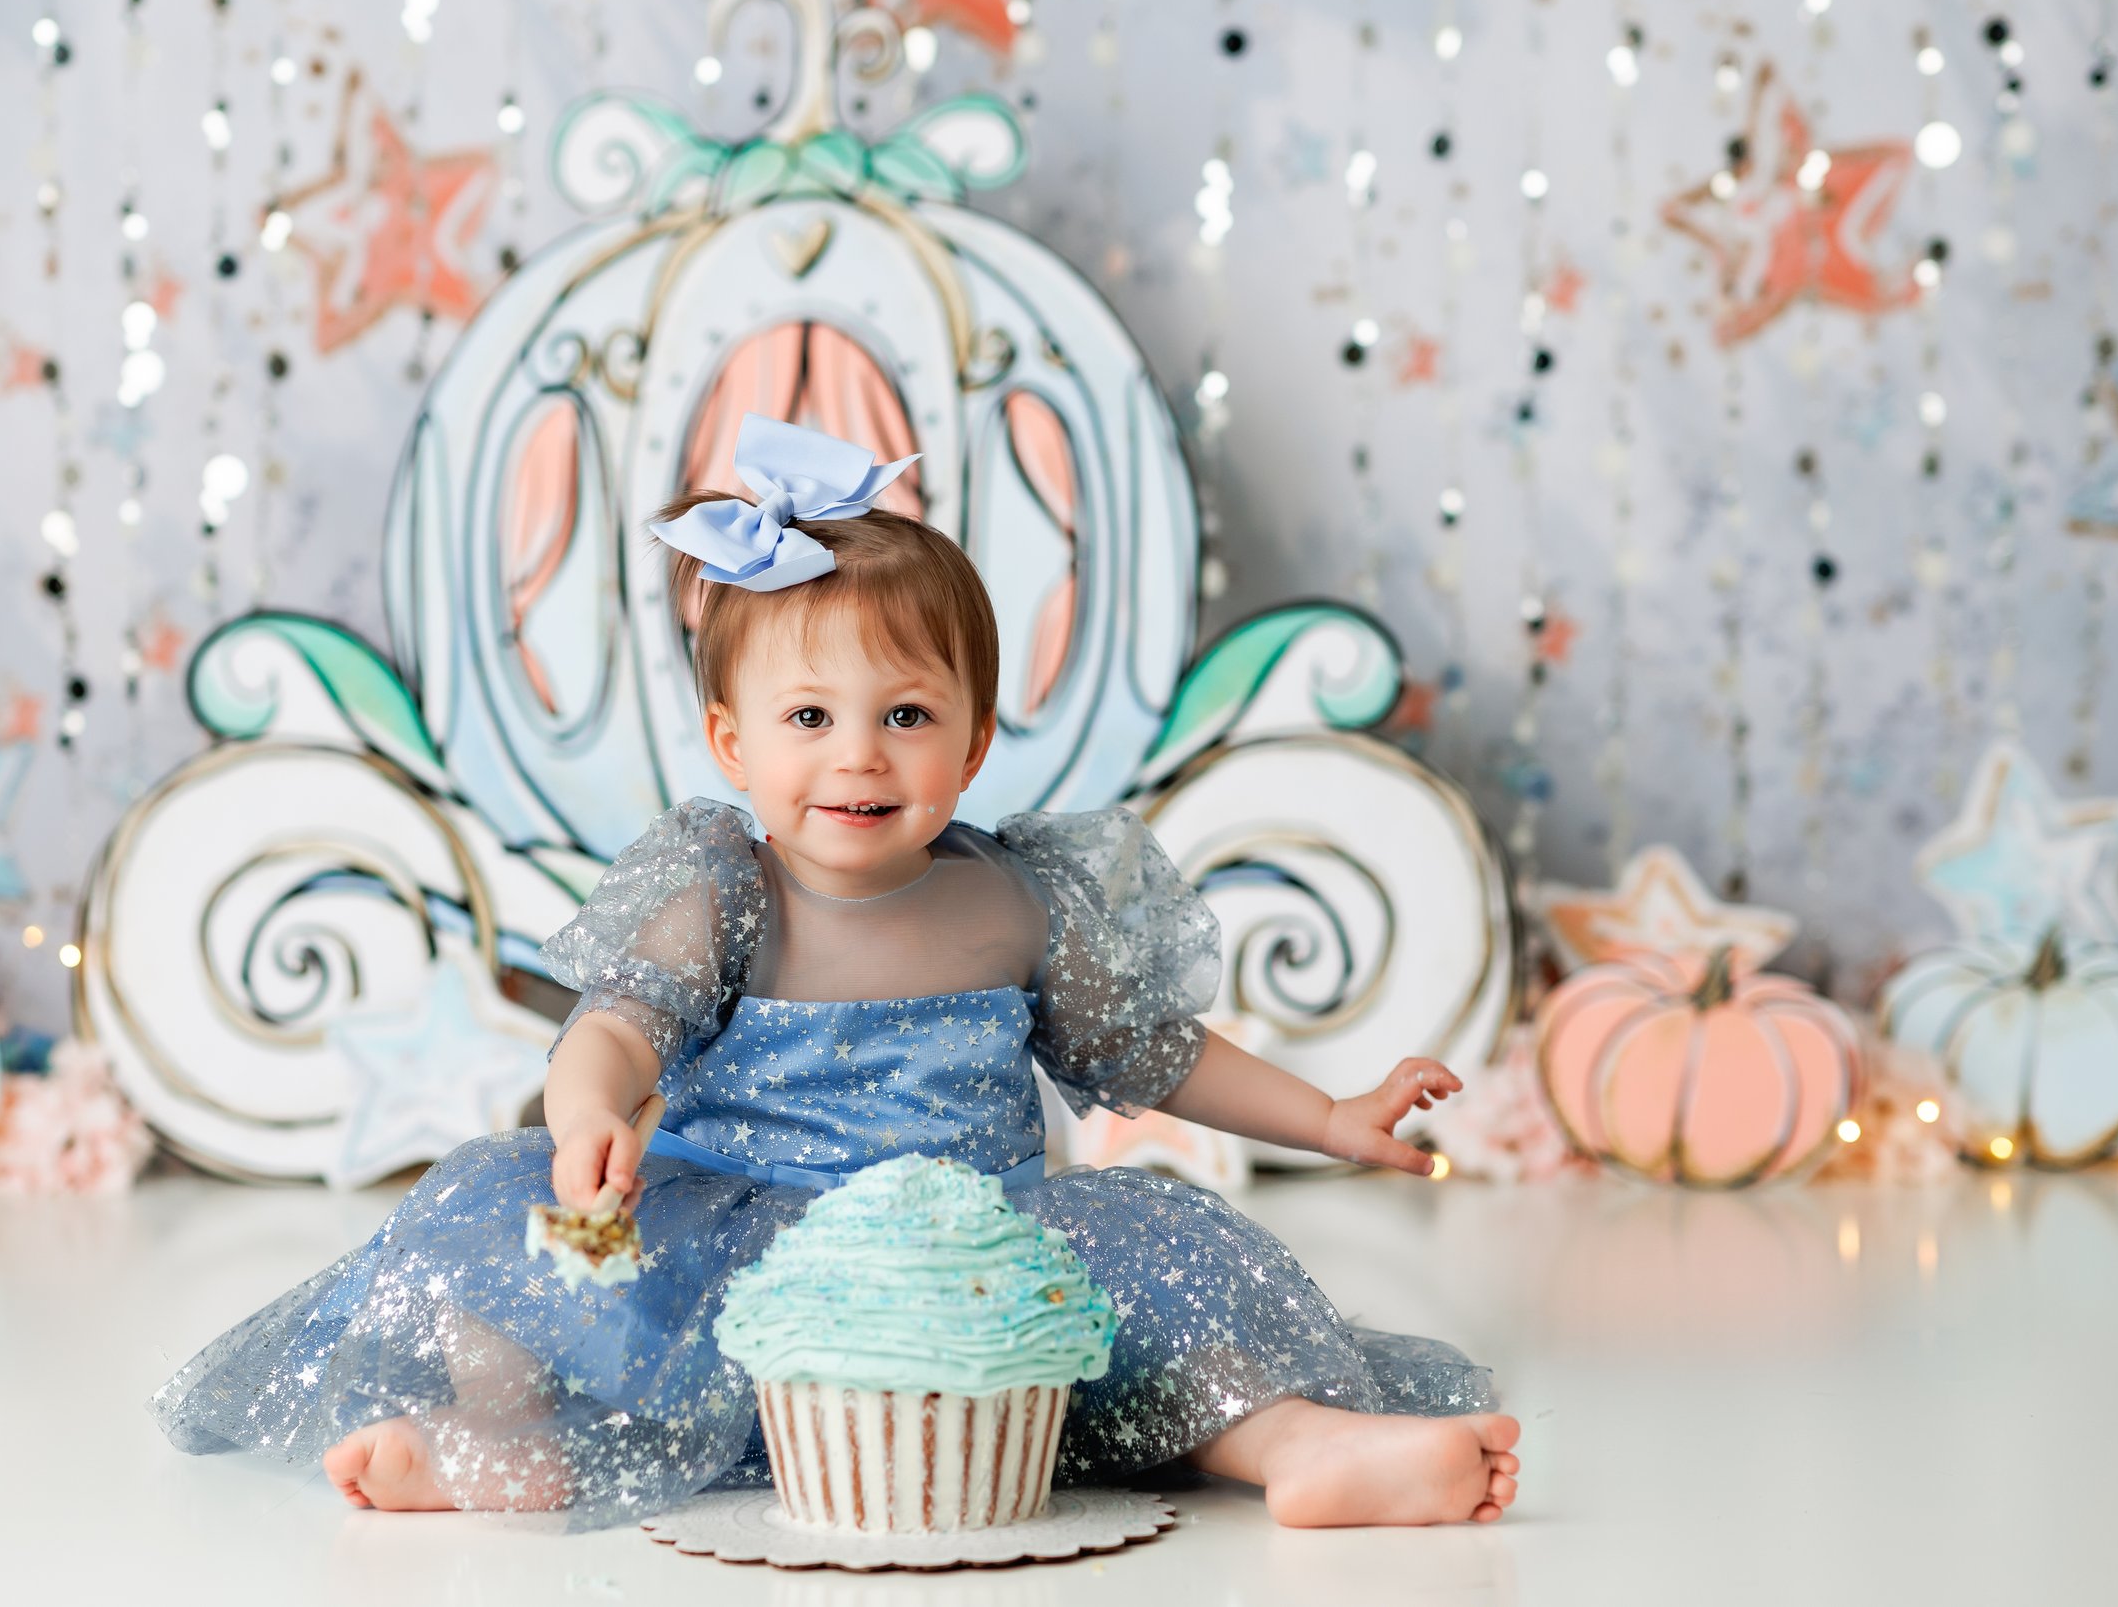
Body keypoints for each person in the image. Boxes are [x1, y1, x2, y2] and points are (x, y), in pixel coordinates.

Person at [151, 414, 1520, 1530]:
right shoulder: (724, 892)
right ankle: (506, 1448)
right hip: (742, 1246)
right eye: (810, 717)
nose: (859, 755)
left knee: (1170, 1299)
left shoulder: (1013, 900)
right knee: (489, 1246)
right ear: (733, 742)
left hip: (975, 1257)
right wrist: (582, 1119)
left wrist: (1333, 1118)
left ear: (975, 743)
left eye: (906, 716)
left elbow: (1154, 1059)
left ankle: (1296, 1452)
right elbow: (616, 1034)